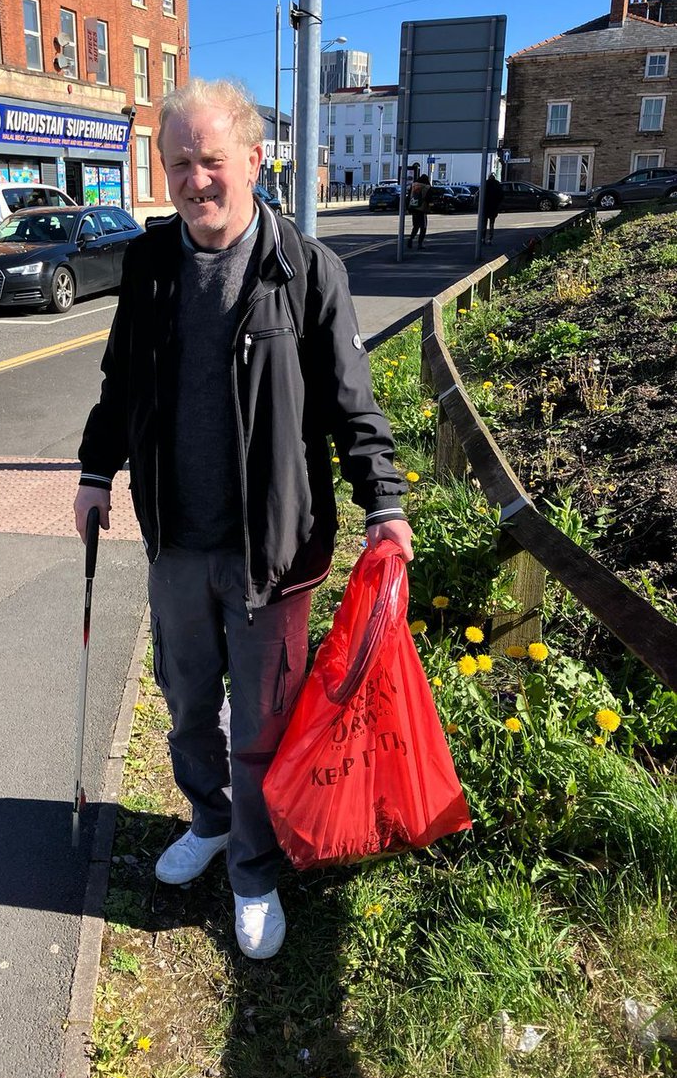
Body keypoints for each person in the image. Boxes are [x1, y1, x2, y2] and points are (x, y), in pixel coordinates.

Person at [74, 78, 413, 961]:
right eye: (178, 163)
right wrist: (92, 471)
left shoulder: (304, 271)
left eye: (211, 161)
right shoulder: (149, 268)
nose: (195, 180)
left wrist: (385, 501)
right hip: (178, 542)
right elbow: (122, 387)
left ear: (255, 160)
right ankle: (211, 819)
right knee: (188, 706)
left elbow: (351, 404)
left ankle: (254, 871)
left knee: (260, 726)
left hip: (276, 553)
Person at [407, 172, 431, 249]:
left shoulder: (413, 185)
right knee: (423, 227)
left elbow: (409, 196)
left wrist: (408, 208)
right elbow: (428, 199)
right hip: (421, 209)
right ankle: (420, 244)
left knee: (415, 226)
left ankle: (410, 239)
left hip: (413, 208)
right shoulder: (427, 187)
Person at [482, 173, 505, 244]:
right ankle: (489, 239)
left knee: (484, 224)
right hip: (494, 207)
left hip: (485, 207)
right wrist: (498, 204)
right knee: (491, 224)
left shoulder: (485, 183)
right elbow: (501, 195)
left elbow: (481, 194)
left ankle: (482, 238)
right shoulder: (497, 184)